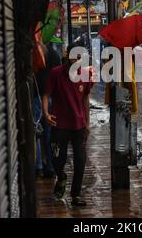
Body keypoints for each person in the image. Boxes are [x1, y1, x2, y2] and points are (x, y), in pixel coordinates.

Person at [43, 43, 92, 207]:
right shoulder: (56, 73)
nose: (77, 59)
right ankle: (61, 176)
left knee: (80, 160)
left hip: (79, 125)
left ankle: (76, 194)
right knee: (57, 158)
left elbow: (85, 99)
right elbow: (46, 94)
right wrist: (46, 114)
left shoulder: (85, 74)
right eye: (74, 55)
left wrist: (87, 123)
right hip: (59, 124)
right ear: (67, 55)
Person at [35, 42, 62, 179]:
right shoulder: (55, 54)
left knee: (39, 131)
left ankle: (41, 166)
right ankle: (51, 166)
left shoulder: (37, 52)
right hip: (51, 96)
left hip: (38, 95)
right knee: (49, 132)